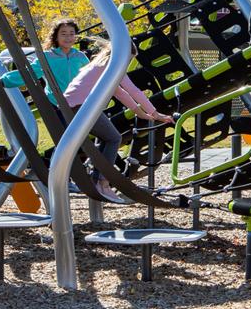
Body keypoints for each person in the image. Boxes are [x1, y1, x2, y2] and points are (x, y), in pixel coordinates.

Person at [60, 40, 174, 197]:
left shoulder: (101, 63)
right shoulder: (112, 66)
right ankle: (102, 182)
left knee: (106, 139)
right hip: (80, 106)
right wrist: (155, 114)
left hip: (73, 105)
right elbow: (133, 91)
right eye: (128, 60)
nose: (127, 64)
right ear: (121, 56)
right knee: (114, 138)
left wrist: (141, 113)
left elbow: (120, 92)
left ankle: (97, 180)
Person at [0, 17, 90, 93]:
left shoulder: (80, 56)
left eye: (71, 34)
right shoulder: (48, 57)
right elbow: (31, 72)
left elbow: (91, 75)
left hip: (79, 100)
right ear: (56, 37)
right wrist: (5, 81)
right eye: (64, 34)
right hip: (57, 102)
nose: (68, 37)